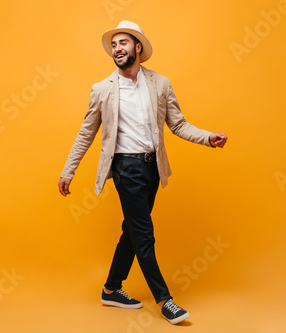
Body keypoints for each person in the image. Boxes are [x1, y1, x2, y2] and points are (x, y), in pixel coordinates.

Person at [58, 20, 227, 324]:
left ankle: (111, 288)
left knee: (132, 231)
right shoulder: (102, 89)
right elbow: (86, 133)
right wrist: (68, 171)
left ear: (138, 47)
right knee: (144, 235)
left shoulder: (160, 84)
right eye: (113, 45)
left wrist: (207, 137)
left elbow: (177, 124)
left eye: (122, 43)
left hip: (153, 167)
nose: (117, 49)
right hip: (126, 168)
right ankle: (165, 300)